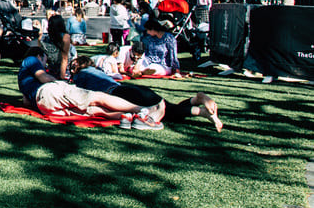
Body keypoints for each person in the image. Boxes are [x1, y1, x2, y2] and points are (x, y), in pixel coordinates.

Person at [16, 47, 163, 128]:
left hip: (44, 106)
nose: (45, 64)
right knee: (99, 98)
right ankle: (142, 111)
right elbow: (44, 77)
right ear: (39, 56)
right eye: (45, 61)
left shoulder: (22, 80)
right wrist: (62, 83)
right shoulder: (31, 60)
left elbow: (26, 102)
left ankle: (128, 118)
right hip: (50, 91)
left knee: (95, 111)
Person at [72, 56, 223, 132]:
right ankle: (198, 102)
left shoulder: (81, 75)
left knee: (169, 112)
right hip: (127, 89)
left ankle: (201, 108)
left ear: (79, 65)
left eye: (74, 65)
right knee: (169, 109)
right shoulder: (96, 72)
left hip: (120, 94)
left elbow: (75, 91)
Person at [40, 15, 76, 80]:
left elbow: (65, 58)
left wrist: (62, 77)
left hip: (66, 67)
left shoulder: (65, 37)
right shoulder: (46, 39)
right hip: (53, 67)